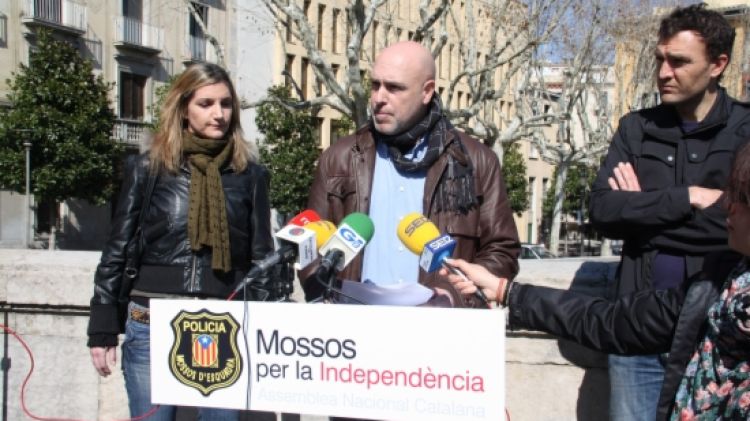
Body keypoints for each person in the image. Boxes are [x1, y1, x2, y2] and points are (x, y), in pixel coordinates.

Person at [442, 141, 750, 420]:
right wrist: (505, 291)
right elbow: (614, 322)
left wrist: (643, 209)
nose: (726, 206)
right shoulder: (720, 283)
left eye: (740, 198)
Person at [587, 5, 750, 420]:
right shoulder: (636, 128)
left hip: (719, 337)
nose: (663, 72)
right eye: (660, 58)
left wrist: (642, 215)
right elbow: (603, 210)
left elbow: (730, 229)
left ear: (718, 64)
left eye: (678, 62)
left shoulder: (746, 131)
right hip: (637, 330)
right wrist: (689, 197)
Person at [86, 63, 274, 420]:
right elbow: (118, 247)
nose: (218, 114)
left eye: (226, 104)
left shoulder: (250, 174)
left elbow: (261, 257)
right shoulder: (149, 168)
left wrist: (264, 327)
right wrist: (102, 325)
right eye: (206, 104)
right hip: (151, 320)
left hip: (223, 323)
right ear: (183, 107)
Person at [303, 41, 520, 307]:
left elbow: (502, 251)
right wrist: (320, 292)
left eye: (394, 88)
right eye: (375, 85)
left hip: (438, 330)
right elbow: (309, 246)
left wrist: (452, 296)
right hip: (352, 329)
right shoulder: (339, 158)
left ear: (427, 91)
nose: (379, 98)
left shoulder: (476, 161)